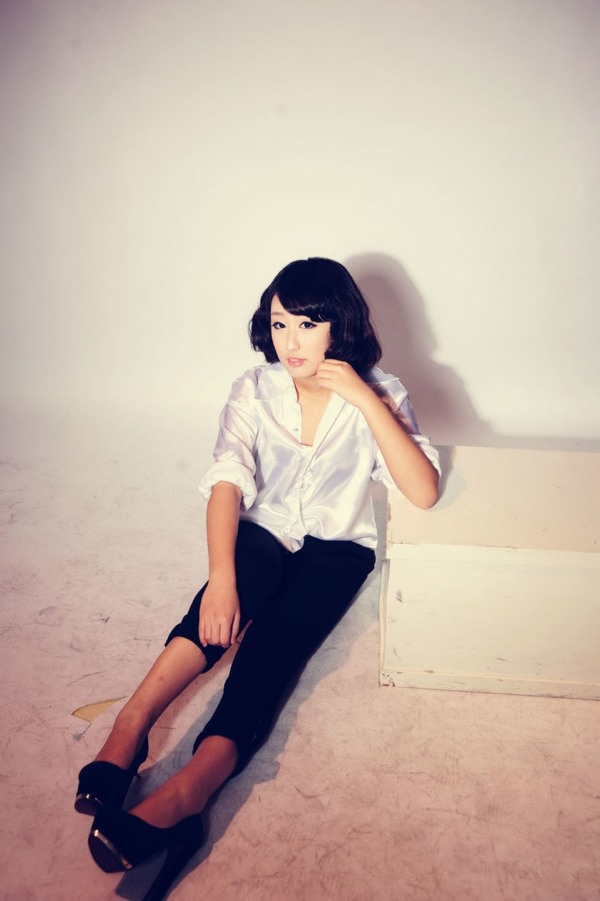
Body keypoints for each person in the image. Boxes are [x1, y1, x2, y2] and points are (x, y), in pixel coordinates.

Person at [76, 257, 440, 900]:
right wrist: (221, 579)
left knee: (273, 651)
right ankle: (128, 730)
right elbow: (227, 481)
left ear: (340, 325)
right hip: (263, 529)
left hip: (337, 548)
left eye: (308, 324)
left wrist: (364, 397)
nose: (291, 341)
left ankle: (188, 796)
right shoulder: (255, 388)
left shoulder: (381, 392)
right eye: (279, 324)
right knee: (213, 613)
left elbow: (424, 490)